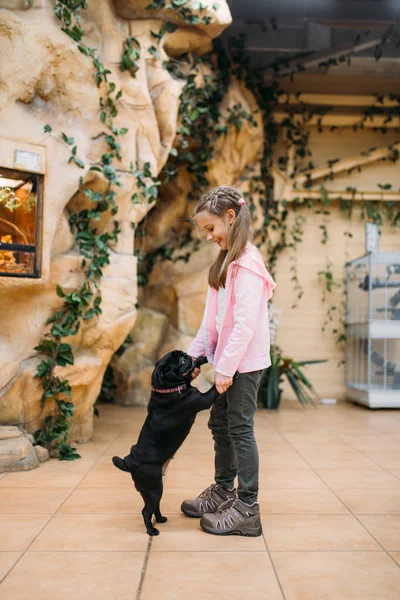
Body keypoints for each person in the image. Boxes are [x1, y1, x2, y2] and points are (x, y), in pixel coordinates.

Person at [181, 185, 276, 537]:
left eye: (211, 228)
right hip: (227, 362)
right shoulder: (224, 265)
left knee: (239, 429)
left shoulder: (248, 264)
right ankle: (224, 490)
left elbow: (244, 325)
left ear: (231, 217)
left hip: (245, 364)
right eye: (204, 231)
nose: (208, 236)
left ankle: (248, 508)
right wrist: (192, 358)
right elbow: (213, 323)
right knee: (219, 425)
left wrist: (224, 369)